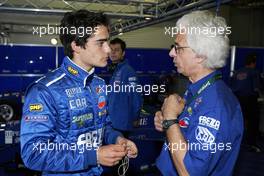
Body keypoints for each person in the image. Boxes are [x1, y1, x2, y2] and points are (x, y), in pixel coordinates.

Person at [20, 10, 137, 176]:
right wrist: (93, 156)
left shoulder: (99, 84)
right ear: (76, 45)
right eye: (100, 43)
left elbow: (104, 126)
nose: (108, 50)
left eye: (108, 42)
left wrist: (118, 139)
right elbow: (33, 153)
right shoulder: (45, 91)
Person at [154, 10, 243, 176]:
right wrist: (168, 121)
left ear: (200, 55)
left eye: (178, 48)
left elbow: (189, 172)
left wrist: (170, 120)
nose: (171, 53)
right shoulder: (199, 89)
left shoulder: (216, 105)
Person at [108, 38, 142, 136]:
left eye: (117, 50)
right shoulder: (116, 71)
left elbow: (136, 96)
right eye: (111, 49)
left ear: (123, 53)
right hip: (112, 122)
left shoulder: (128, 71)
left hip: (121, 124)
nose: (113, 53)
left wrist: (135, 117)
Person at [231, 53, 261, 150]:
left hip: (237, 100)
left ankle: (235, 142)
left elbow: (232, 87)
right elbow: (256, 88)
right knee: (254, 121)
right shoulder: (254, 72)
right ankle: (251, 143)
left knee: (239, 121)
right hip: (250, 100)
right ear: (253, 63)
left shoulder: (237, 72)